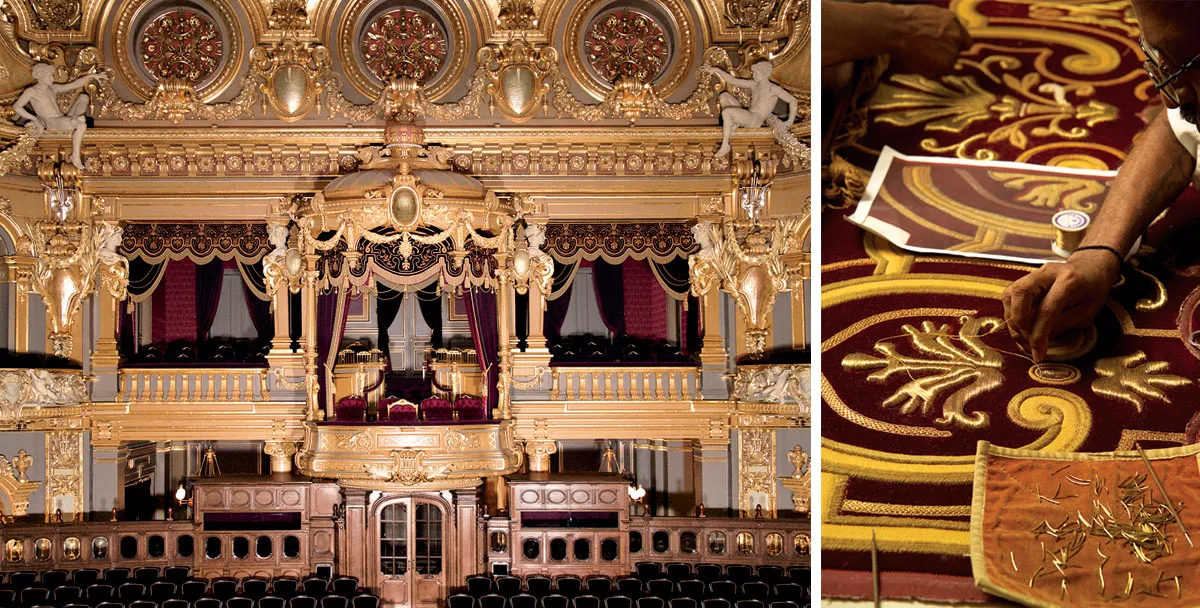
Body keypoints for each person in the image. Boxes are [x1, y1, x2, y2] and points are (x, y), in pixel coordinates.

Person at [1003, 0, 1198, 363]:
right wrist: (1099, 252)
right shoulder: (1186, 91)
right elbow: (1180, 129)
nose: (1174, 95)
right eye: (1161, 61)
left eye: (1191, 64)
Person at [12, 64, 107, 170]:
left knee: (83, 97)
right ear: (40, 76)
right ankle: (75, 155)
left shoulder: (53, 88)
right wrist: (35, 119)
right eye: (49, 76)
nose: (52, 78)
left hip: (61, 118)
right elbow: (17, 107)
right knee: (81, 125)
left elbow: (74, 84)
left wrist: (93, 76)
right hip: (52, 122)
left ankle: (75, 119)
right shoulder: (32, 91)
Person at [704, 61, 798, 158]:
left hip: (755, 120)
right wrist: (716, 70)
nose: (753, 75)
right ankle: (734, 123)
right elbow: (733, 80)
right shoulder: (754, 85)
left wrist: (790, 121)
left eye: (756, 73)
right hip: (749, 114)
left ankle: (725, 145)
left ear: (764, 74)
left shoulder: (773, 89)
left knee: (727, 112)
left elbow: (793, 101)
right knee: (724, 96)